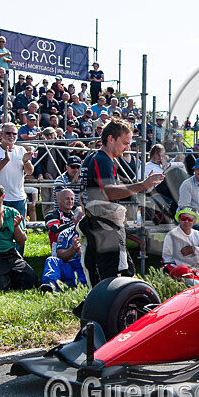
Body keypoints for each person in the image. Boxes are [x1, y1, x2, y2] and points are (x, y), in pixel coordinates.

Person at [77, 118, 163, 287]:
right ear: (111, 139)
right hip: (104, 226)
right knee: (114, 277)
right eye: (124, 143)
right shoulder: (103, 159)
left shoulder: (93, 158)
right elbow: (108, 191)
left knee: (104, 275)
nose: (127, 148)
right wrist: (142, 185)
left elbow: (83, 193)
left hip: (94, 222)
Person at [0, 122, 34, 220]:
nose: (11, 136)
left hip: (18, 198)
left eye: (14, 133)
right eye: (8, 133)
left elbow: (29, 172)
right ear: (2, 135)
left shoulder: (21, 150)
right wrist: (5, 160)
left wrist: (26, 161)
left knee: (19, 230)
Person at [162, 207, 199, 286]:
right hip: (174, 268)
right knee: (183, 270)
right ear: (179, 220)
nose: (186, 221)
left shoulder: (198, 234)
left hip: (194, 269)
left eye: (190, 219)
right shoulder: (172, 235)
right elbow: (181, 262)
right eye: (183, 218)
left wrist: (194, 249)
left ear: (194, 221)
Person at [39, 225, 87, 292]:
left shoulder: (94, 232)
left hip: (85, 267)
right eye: (78, 216)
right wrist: (73, 249)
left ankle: (68, 283)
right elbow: (60, 255)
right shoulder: (66, 233)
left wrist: (82, 254)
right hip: (69, 266)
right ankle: (49, 285)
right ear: (73, 219)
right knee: (52, 260)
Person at [44, 188, 79, 254]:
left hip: (77, 248)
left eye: (72, 199)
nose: (70, 201)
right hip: (59, 251)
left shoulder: (76, 215)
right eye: (67, 199)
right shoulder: (51, 215)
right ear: (59, 200)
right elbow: (56, 231)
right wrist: (75, 223)